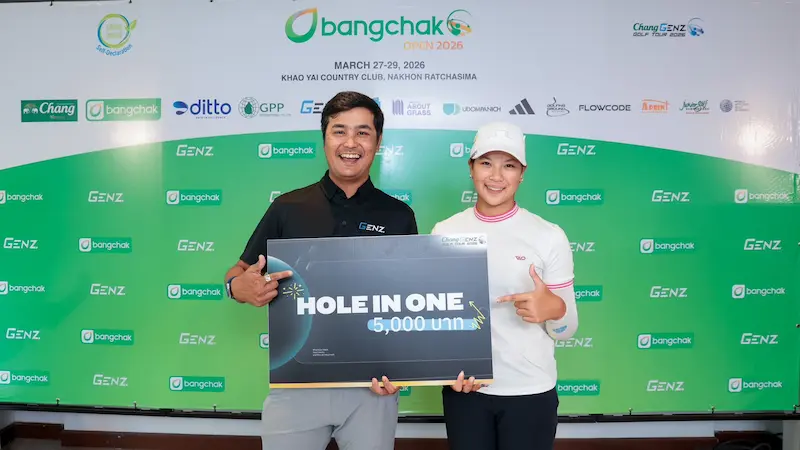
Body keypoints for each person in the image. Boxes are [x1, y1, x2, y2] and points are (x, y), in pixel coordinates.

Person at [223, 91, 418, 450]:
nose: (350, 143)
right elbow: (240, 271)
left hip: (371, 387)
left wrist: (403, 369)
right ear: (325, 138)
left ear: (378, 143)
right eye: (339, 131)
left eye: (363, 132)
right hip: (296, 382)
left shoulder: (399, 216)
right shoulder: (288, 207)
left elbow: (411, 300)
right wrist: (237, 287)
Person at [430, 121, 579, 450]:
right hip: (466, 391)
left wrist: (554, 309)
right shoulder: (444, 231)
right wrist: (449, 370)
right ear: (471, 167)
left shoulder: (549, 235)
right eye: (486, 163)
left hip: (530, 392)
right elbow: (437, 319)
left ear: (522, 173)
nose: (496, 176)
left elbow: (566, 329)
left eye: (509, 165)